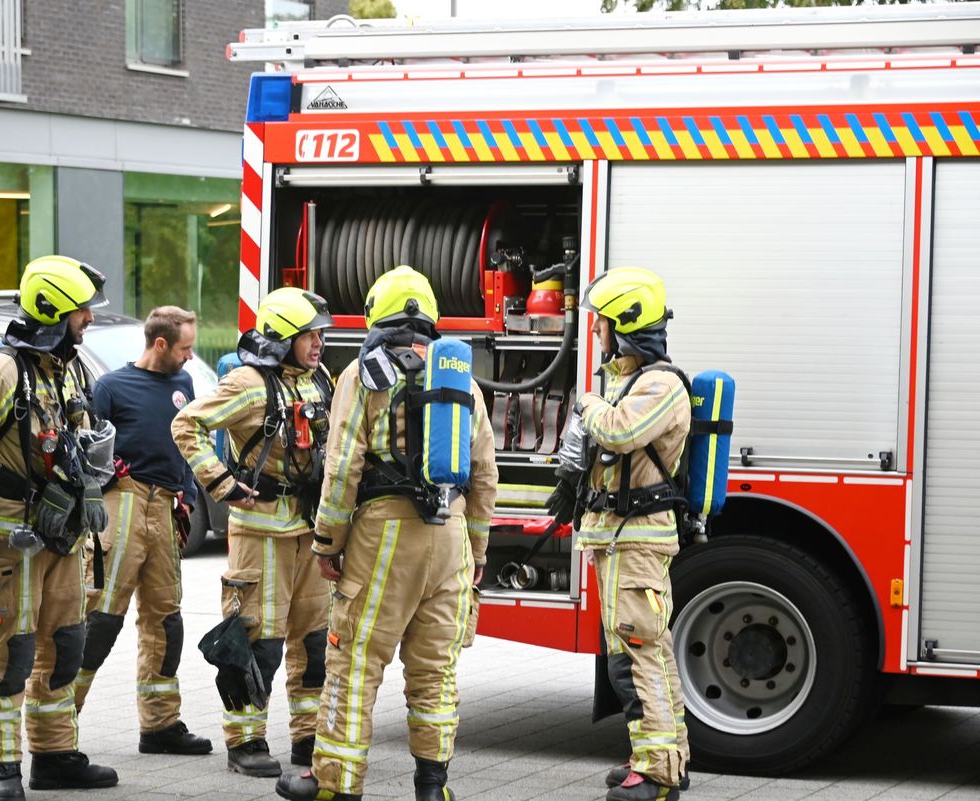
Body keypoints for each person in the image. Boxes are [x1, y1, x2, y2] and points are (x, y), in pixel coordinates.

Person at [275, 266, 498, 801]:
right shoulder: (460, 380)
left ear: (377, 314)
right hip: (449, 537)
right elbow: (485, 473)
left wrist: (328, 543)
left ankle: (335, 782)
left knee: (355, 662)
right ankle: (432, 786)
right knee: (435, 669)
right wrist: (478, 549)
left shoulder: (363, 374)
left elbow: (342, 465)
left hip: (384, 533)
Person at [0, 255, 118, 801]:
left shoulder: (73, 369)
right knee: (10, 649)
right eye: (82, 311)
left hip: (63, 531)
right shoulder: (3, 372)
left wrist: (93, 471)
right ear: (53, 312)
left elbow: (80, 439)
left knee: (65, 644)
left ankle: (55, 756)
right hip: (9, 533)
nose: (89, 320)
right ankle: (2, 766)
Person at [172, 287, 335, 778]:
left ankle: (308, 738)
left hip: (310, 530)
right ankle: (246, 741)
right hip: (260, 532)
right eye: (308, 335)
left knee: (314, 642)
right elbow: (187, 424)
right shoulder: (248, 382)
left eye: (319, 335)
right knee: (258, 641)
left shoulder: (319, 378)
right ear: (283, 338)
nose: (317, 344)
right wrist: (221, 483)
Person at [548, 266, 692, 801]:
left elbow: (619, 430)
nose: (595, 332)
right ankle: (663, 756)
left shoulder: (660, 384)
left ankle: (656, 776)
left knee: (637, 654)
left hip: (637, 542)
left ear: (626, 325)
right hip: (617, 538)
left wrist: (585, 402)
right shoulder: (630, 382)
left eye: (602, 323)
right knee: (643, 650)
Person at [72, 306, 213, 757]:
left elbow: (186, 440)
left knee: (166, 622)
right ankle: (58, 726)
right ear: (160, 345)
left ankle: (160, 726)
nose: (190, 357)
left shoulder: (183, 384)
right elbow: (87, 450)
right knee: (100, 620)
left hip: (166, 509)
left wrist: (187, 493)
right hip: (124, 504)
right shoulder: (111, 387)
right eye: (186, 348)